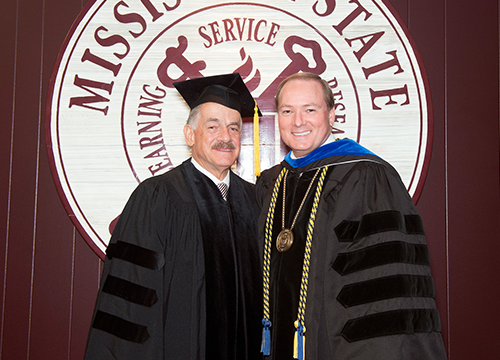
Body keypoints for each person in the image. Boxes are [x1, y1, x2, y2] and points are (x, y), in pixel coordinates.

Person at [256, 72, 447, 359]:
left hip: (337, 347)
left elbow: (381, 286)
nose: (298, 121)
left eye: (310, 109)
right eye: (287, 111)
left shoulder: (366, 175)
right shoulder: (272, 183)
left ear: (331, 115)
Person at [84, 73, 263, 360]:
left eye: (233, 128)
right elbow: (131, 300)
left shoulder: (256, 201)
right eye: (213, 126)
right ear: (190, 135)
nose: (225, 138)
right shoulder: (158, 197)